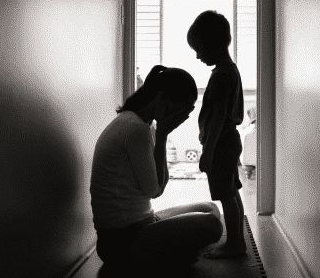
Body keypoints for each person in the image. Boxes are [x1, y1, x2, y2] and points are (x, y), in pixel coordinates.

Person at [90, 65, 223, 277]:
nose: (183, 116)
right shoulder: (136, 129)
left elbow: (157, 185)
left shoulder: (140, 123)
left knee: (210, 208)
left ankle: (165, 252)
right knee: (213, 225)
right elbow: (155, 190)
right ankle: (163, 257)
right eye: (182, 108)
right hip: (121, 242)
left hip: (143, 222)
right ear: (162, 98)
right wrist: (162, 135)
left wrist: (161, 133)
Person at [187, 10, 246, 259]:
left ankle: (233, 244)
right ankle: (237, 241)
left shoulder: (222, 76)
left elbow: (219, 116)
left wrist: (208, 151)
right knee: (231, 192)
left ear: (214, 45)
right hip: (229, 141)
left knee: (225, 194)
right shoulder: (229, 70)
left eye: (200, 49)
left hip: (221, 143)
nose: (198, 56)